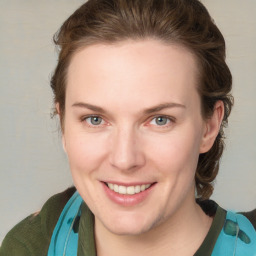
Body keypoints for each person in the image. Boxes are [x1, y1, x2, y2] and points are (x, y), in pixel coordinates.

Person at [1, 0, 256, 255]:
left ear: (209, 126)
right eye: (95, 119)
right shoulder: (31, 246)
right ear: (63, 125)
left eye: (160, 120)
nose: (124, 160)